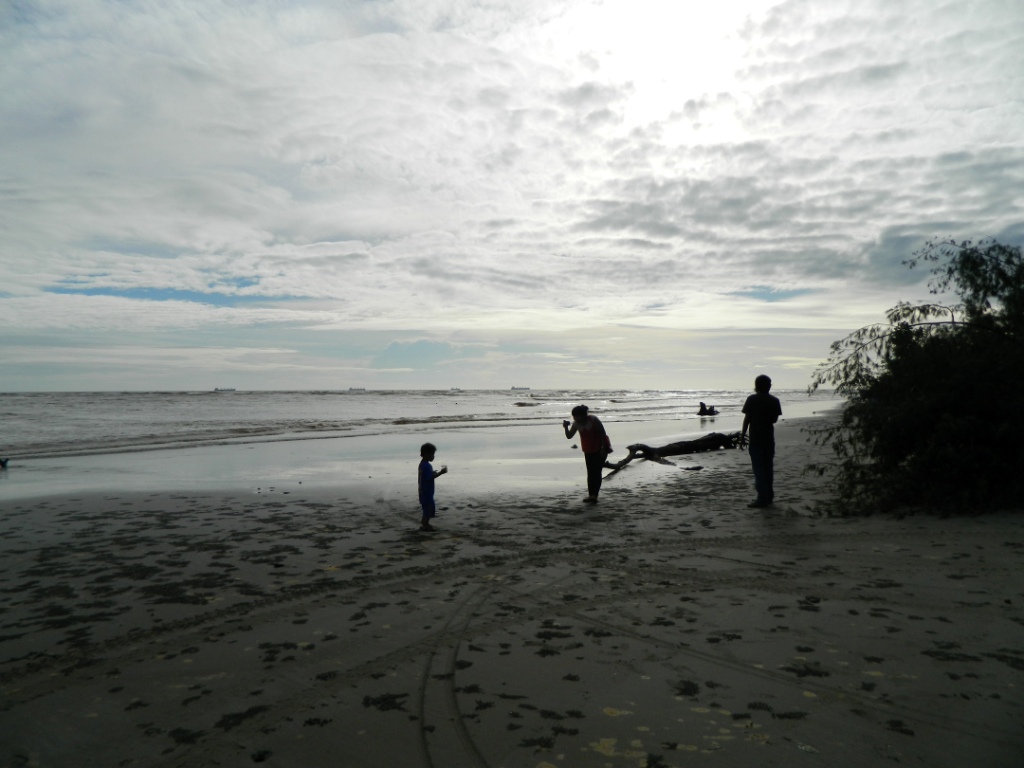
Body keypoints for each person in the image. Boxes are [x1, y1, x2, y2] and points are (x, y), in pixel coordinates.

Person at [740, 374, 782, 508]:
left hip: (756, 438)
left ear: (756, 386)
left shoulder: (751, 399)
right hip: (768, 437)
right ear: (768, 386)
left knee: (758, 469)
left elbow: (747, 419)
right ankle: (768, 496)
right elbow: (774, 420)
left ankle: (762, 498)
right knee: (768, 468)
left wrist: (742, 436)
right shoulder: (774, 400)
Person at [562, 405, 612, 503]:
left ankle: (595, 495)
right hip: (588, 450)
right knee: (590, 472)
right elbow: (569, 436)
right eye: (573, 416)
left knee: (597, 472)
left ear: (583, 415)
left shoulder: (593, 420)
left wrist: (603, 448)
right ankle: (591, 495)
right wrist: (566, 427)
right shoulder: (576, 424)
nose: (575, 418)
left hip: (600, 448)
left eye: (576, 416)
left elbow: (603, 433)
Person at [418, 442, 448, 531]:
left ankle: (425, 523)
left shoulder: (422, 464)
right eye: (432, 454)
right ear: (426, 454)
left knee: (427, 507)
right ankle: (425, 524)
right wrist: (441, 473)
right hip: (426, 491)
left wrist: (432, 473)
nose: (433, 457)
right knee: (429, 507)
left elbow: (426, 476)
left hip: (423, 491)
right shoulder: (427, 465)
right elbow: (429, 478)